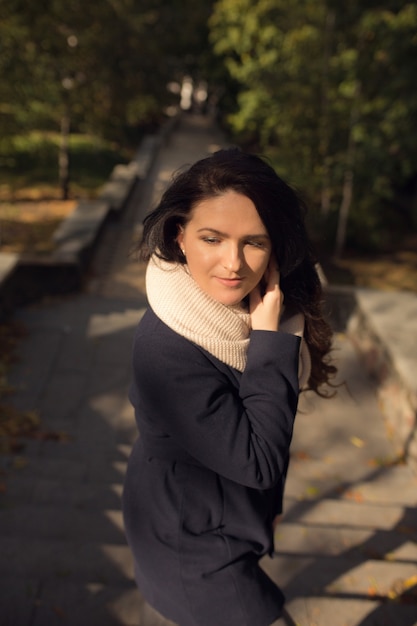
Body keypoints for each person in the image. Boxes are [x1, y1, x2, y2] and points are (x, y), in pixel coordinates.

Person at [123, 148, 336, 626]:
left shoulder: (257, 311)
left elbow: (263, 426)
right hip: (189, 545)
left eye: (254, 243)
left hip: (231, 517)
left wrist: (271, 506)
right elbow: (259, 459)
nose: (233, 263)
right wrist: (269, 341)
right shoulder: (166, 349)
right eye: (212, 238)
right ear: (180, 237)